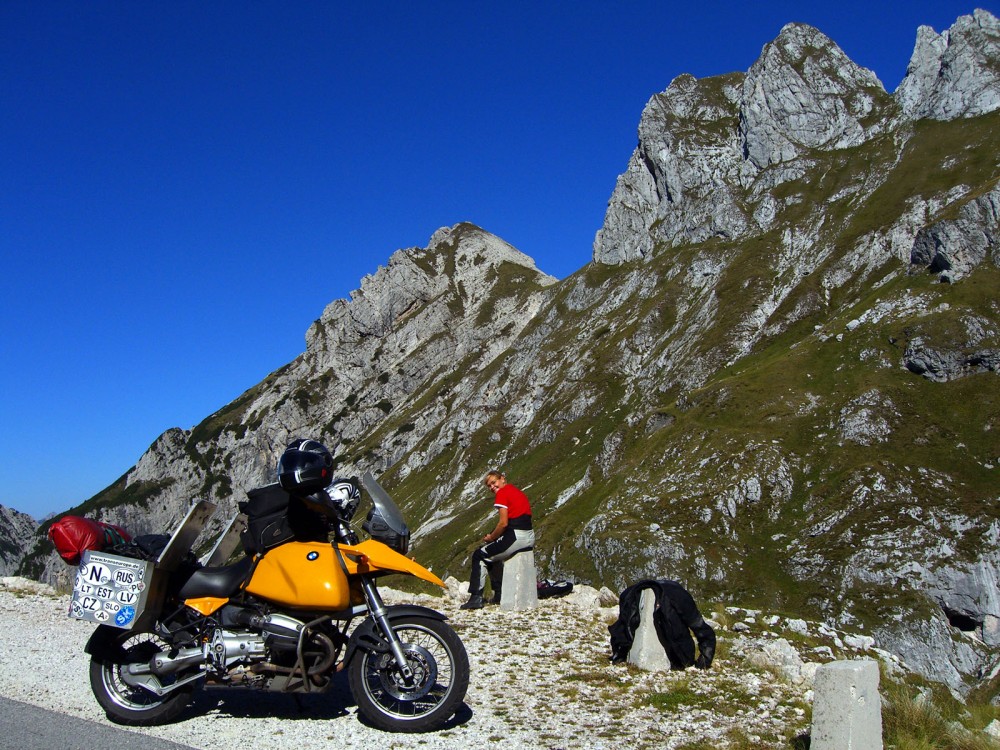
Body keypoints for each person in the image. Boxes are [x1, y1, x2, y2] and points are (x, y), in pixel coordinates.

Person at [460, 471, 534, 610]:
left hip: (515, 536)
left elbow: (503, 523)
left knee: (480, 555)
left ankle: (476, 597)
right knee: (493, 555)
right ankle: (499, 593)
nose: (492, 487)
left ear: (502, 479)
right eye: (489, 486)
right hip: (528, 535)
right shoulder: (516, 491)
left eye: (494, 483)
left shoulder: (502, 493)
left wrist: (491, 537)